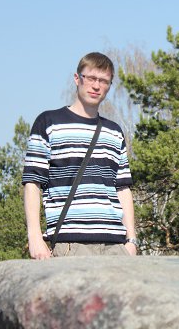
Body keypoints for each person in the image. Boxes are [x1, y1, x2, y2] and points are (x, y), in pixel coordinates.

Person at [22, 52, 138, 259]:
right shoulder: (49, 122)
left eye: (103, 81)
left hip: (115, 246)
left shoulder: (114, 132)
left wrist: (131, 241)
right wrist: (35, 237)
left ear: (109, 86)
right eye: (91, 78)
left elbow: (122, 188)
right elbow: (32, 182)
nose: (96, 86)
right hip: (70, 243)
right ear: (77, 79)